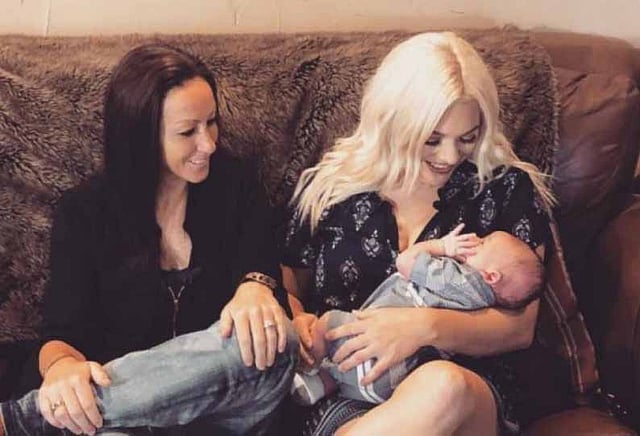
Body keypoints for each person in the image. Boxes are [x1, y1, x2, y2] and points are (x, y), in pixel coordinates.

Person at [0, 44, 297, 436]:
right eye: (188, 132)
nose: (208, 143)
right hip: (126, 422)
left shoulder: (237, 188)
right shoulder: (86, 213)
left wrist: (256, 289)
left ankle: (22, 420)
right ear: (141, 136)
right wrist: (62, 370)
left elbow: (270, 288)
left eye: (211, 122)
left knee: (278, 341)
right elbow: (61, 335)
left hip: (225, 417)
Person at [282, 31, 555, 436]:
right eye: (432, 139)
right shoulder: (334, 189)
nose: (449, 156)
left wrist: (420, 328)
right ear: (395, 123)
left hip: (463, 395)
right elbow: (288, 281)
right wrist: (300, 322)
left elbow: (519, 327)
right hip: (344, 392)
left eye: (467, 138)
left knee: (443, 387)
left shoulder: (504, 189)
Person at [291, 225, 544, 405]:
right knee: (348, 354)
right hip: (392, 385)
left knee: (328, 324)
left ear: (491, 276)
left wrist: (441, 246)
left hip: (375, 358)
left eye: (484, 242)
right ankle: (322, 384)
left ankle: (308, 366)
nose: (476, 238)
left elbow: (406, 262)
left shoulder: (456, 278)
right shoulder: (480, 305)